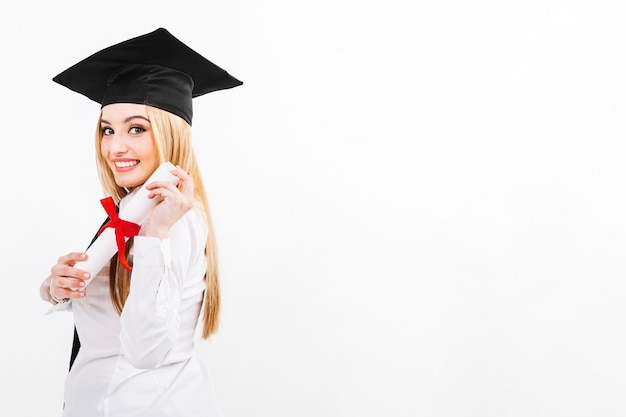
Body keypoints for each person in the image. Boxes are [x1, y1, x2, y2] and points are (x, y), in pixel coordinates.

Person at [39, 27, 242, 416]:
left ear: (170, 135)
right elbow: (117, 304)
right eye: (107, 130)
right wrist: (57, 286)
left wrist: (155, 237)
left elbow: (146, 351)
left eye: (137, 129)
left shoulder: (171, 221)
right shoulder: (135, 206)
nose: (116, 146)